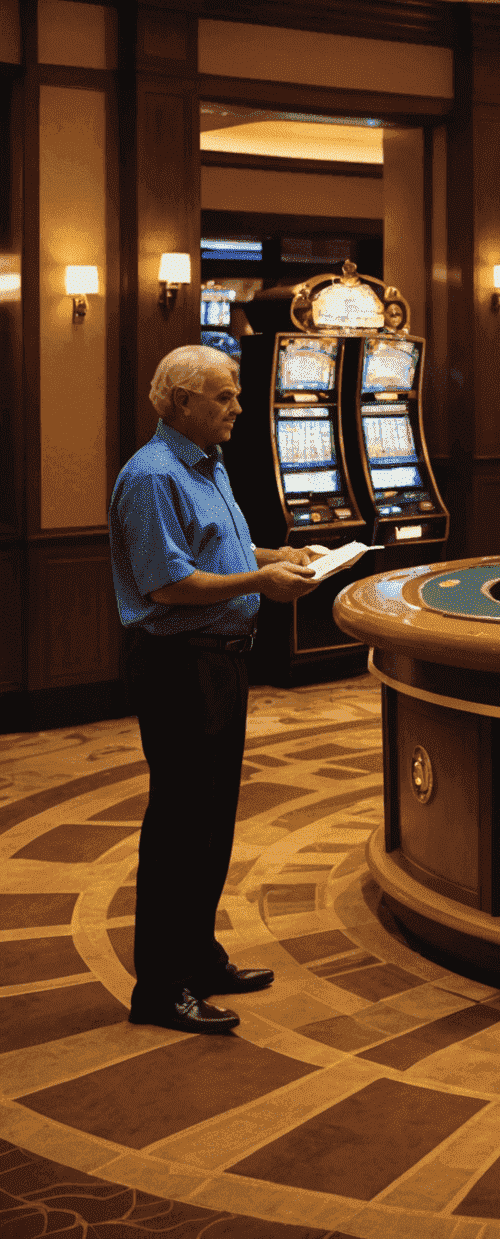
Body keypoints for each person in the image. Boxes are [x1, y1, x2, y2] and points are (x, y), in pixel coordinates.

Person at [109, 345, 320, 1034]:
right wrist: (260, 584)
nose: (236, 407)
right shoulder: (151, 477)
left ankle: (198, 958)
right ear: (180, 403)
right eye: (224, 396)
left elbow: (219, 551)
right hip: (178, 666)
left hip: (222, 661)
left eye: (234, 394)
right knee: (177, 829)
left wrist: (274, 557)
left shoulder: (208, 463)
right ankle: (161, 989)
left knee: (212, 823)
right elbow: (166, 585)